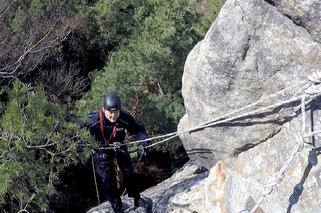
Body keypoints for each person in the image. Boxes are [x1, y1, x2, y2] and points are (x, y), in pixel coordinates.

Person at [86, 92, 148, 213]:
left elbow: (138, 129)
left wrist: (143, 141)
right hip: (101, 149)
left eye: (116, 111)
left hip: (118, 146)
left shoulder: (124, 118)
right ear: (104, 109)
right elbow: (76, 128)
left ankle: (137, 200)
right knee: (107, 179)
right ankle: (117, 208)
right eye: (110, 112)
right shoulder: (92, 119)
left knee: (129, 172)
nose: (113, 115)